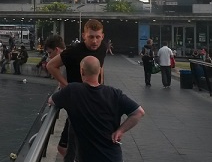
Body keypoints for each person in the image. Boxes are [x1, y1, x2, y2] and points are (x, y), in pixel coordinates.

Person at [48, 56, 145, 162]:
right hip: (113, 157)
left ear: (82, 71)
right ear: (99, 71)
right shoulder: (114, 93)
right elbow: (139, 112)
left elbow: (51, 100)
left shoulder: (72, 91)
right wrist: (120, 131)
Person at [47, 19, 107, 162]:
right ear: (83, 36)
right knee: (67, 145)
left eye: (97, 37)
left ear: (102, 36)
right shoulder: (73, 51)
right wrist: (66, 85)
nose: (94, 41)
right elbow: (51, 66)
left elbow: (100, 68)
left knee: (77, 143)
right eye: (91, 37)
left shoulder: (102, 48)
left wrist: (101, 87)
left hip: (93, 101)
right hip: (77, 103)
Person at [42, 35, 67, 155]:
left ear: (57, 50)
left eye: (50, 53)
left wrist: (54, 98)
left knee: (64, 147)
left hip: (80, 112)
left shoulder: (67, 65)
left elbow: (67, 89)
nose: (49, 57)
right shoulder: (66, 64)